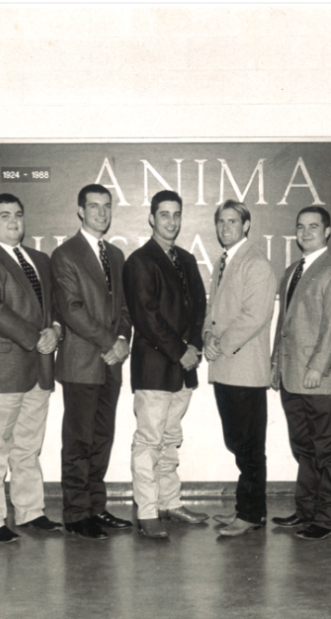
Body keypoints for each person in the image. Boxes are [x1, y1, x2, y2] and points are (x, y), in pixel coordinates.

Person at [0, 194, 63, 543]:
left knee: (27, 448)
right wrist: (36, 338)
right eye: (4, 216)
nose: (13, 221)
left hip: (39, 369)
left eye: (18, 215)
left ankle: (30, 512)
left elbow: (53, 309)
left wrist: (55, 331)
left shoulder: (40, 260)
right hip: (0, 371)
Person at [121, 190, 208, 539]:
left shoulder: (186, 260)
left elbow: (200, 307)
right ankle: (147, 511)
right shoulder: (139, 262)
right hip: (155, 367)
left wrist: (195, 347)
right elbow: (146, 317)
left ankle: (170, 501)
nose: (171, 221)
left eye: (176, 214)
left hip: (184, 367)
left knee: (171, 439)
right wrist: (180, 350)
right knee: (149, 441)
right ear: (152, 219)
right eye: (164, 214)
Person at [51, 184, 133, 539]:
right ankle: (76, 513)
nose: (101, 212)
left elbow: (126, 309)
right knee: (79, 440)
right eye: (94, 206)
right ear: (80, 211)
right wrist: (108, 342)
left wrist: (123, 341)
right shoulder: (65, 254)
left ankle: (97, 508)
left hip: (111, 363)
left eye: (106, 206)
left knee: (102, 438)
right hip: (82, 362)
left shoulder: (115, 255)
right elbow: (72, 309)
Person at [270, 207, 331, 541]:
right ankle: (306, 511)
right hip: (291, 376)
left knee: (329, 449)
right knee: (304, 447)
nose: (306, 232)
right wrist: (276, 364)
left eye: (313, 227)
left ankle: (327, 517)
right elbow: (284, 325)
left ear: (328, 232)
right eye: (300, 227)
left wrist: (318, 366)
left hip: (321, 377)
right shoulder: (292, 270)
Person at [205, 200, 278, 537]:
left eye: (233, 221)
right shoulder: (223, 261)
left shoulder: (256, 263)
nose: (225, 227)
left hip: (245, 369)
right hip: (226, 368)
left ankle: (250, 514)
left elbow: (255, 315)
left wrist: (219, 343)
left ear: (246, 226)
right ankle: (246, 509)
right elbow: (214, 309)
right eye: (221, 221)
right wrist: (207, 334)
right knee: (238, 442)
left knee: (248, 446)